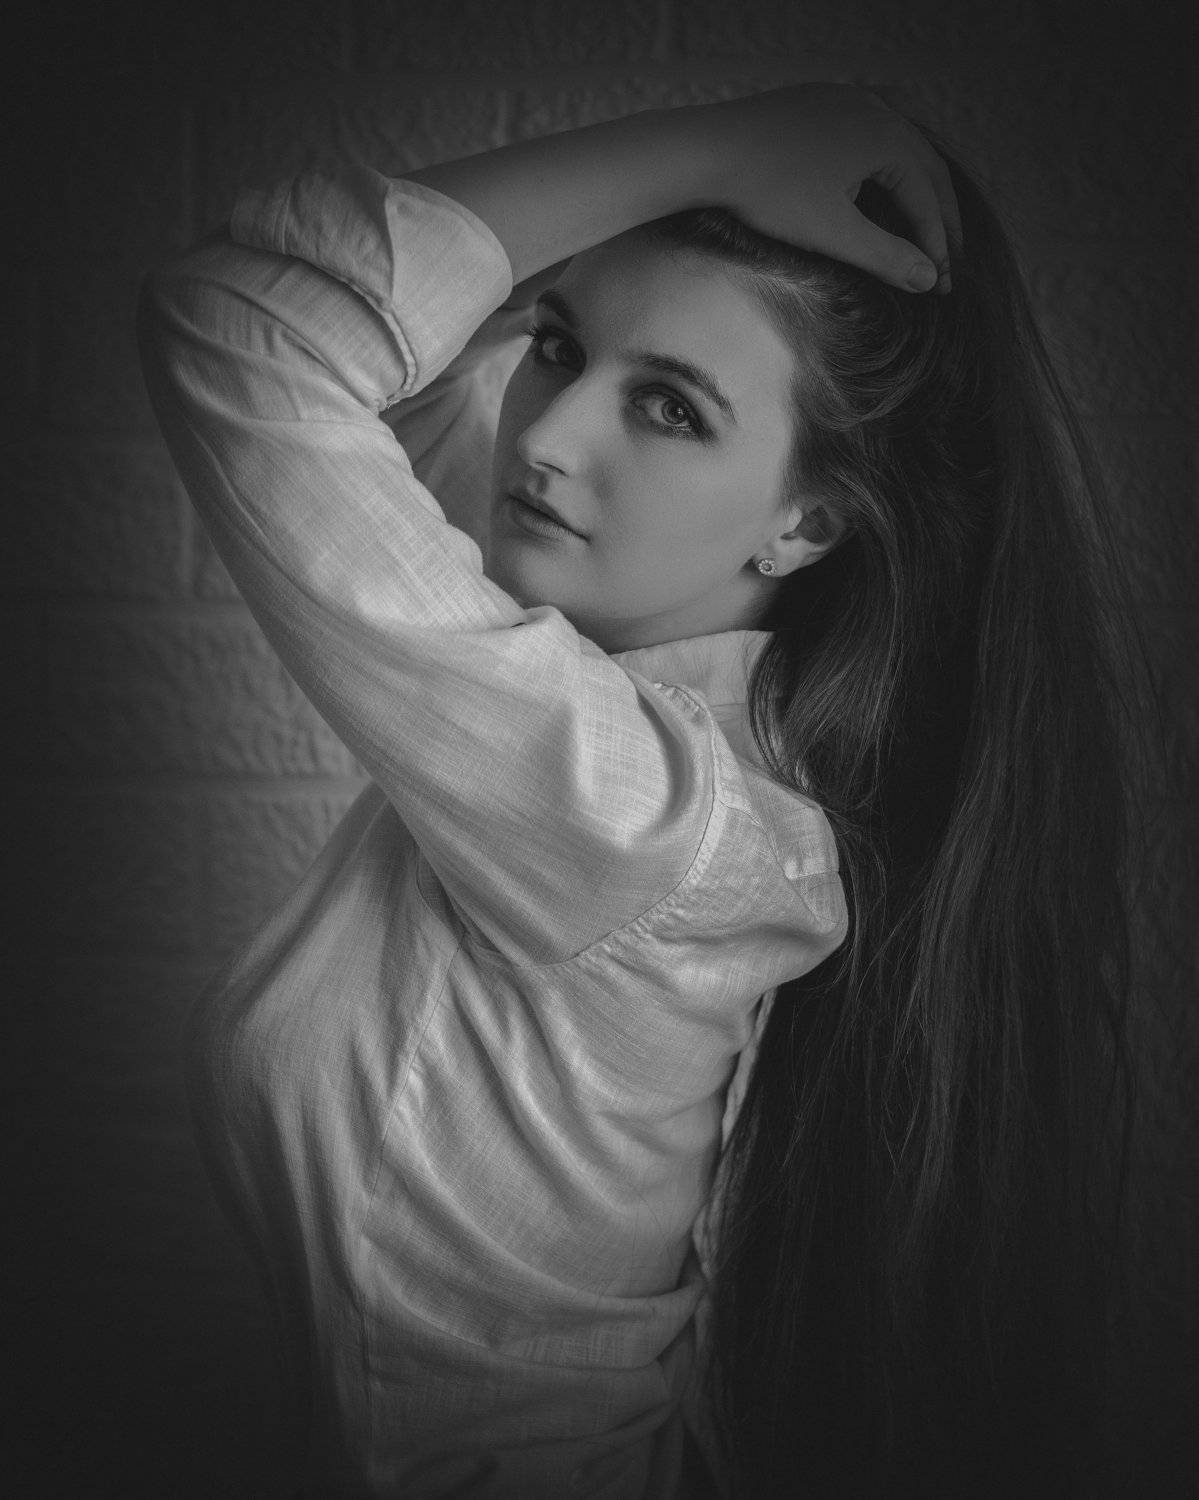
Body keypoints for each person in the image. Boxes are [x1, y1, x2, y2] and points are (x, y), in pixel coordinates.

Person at [139, 85, 1132, 1497]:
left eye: (670, 408)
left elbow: (247, 329)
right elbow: (388, 374)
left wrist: (720, 150)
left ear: (807, 521)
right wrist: (644, 234)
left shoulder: (627, 806)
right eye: (559, 349)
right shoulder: (653, 717)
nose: (548, 437)